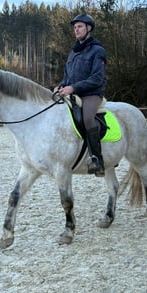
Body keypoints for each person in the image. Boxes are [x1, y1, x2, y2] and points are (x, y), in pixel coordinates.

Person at [54, 13, 107, 176]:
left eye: (79, 27)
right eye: (75, 27)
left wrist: (73, 88)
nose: (76, 30)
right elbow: (67, 78)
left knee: (87, 118)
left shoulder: (98, 51)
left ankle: (97, 160)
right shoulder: (73, 53)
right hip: (73, 93)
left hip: (91, 94)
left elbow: (97, 78)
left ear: (88, 28)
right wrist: (60, 86)